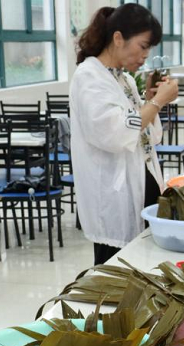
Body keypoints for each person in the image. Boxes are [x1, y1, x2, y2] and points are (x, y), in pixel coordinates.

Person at [69, 4, 178, 266]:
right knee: (115, 272)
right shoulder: (89, 77)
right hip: (113, 196)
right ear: (118, 38)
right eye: (143, 46)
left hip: (141, 183)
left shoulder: (123, 78)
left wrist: (151, 101)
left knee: (142, 266)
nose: (145, 56)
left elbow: (147, 136)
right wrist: (157, 104)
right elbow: (116, 133)